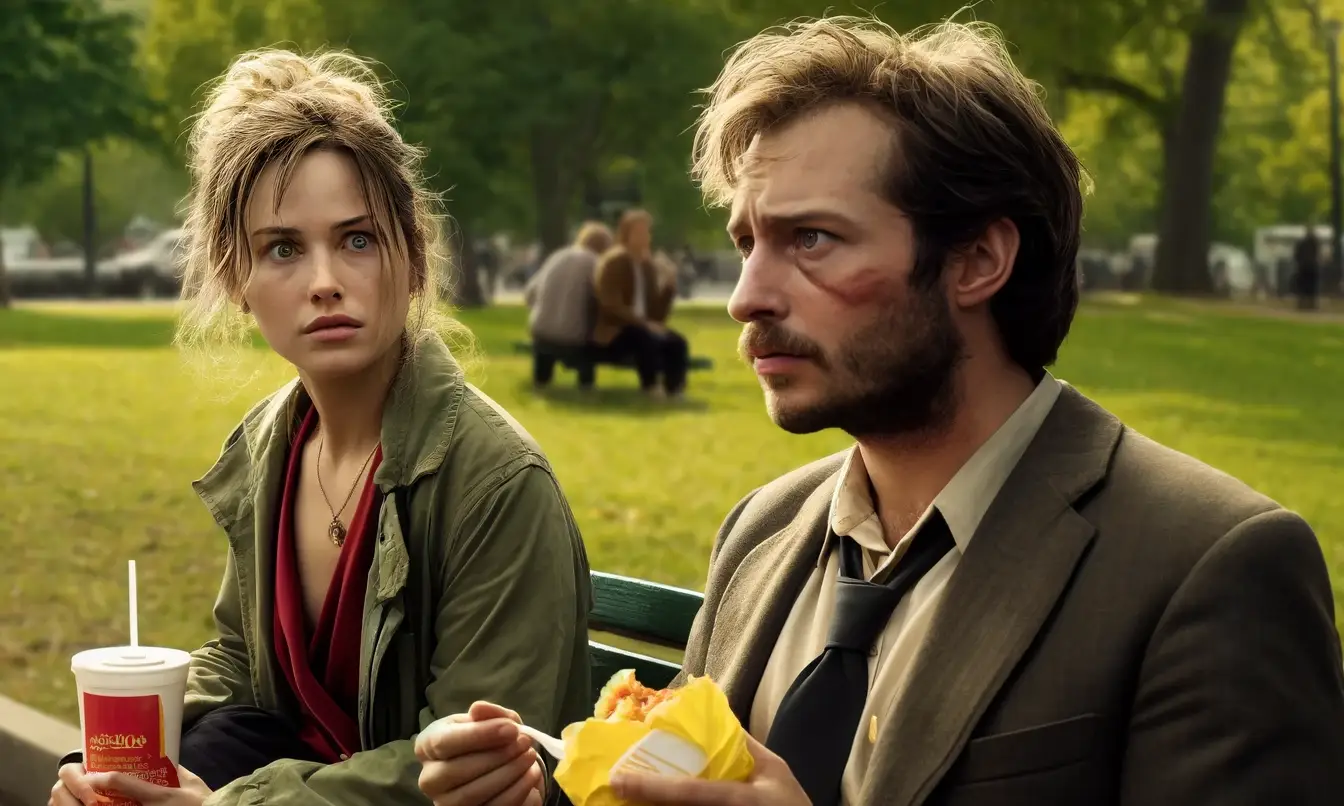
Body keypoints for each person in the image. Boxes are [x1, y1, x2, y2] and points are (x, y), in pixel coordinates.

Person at [417, 16, 1344, 806]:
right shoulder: (763, 530)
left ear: (978, 261)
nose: (746, 295)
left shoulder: (1212, 567)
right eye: (747, 242)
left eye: (810, 239)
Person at [50, 48, 590, 806]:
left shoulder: (496, 483)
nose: (325, 280)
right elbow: (241, 664)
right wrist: (110, 766)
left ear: (413, 256)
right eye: (282, 249)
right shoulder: (269, 444)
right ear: (237, 282)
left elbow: (476, 764)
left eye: (357, 239)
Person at [592, 208, 689, 398]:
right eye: (640, 232)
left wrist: (669, 287)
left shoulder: (647, 266)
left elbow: (656, 314)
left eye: (647, 232)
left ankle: (675, 390)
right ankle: (651, 387)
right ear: (626, 234)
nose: (646, 237)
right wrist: (644, 324)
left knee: (677, 342)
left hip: (642, 328)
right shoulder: (614, 262)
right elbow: (611, 305)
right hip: (615, 332)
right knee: (643, 337)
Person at [524, 222, 613, 389]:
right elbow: (604, 303)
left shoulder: (558, 256)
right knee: (594, 334)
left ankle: (541, 381)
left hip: (540, 332)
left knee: (546, 344)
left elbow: (529, 294)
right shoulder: (596, 263)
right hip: (573, 339)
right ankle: (586, 385)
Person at [1295, 225, 1321, 310]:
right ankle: (1311, 305)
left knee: (1303, 287)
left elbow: (1296, 255)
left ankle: (1302, 305)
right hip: (1311, 267)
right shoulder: (1314, 243)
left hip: (1303, 267)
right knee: (1311, 287)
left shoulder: (1302, 243)